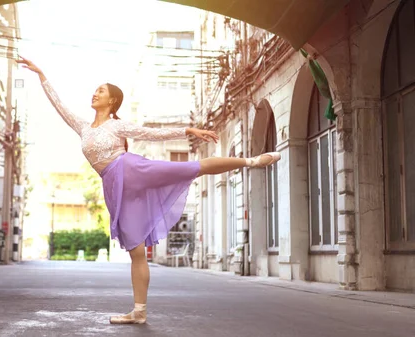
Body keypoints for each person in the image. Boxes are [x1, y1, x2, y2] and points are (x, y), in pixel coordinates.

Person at [16, 57, 280, 324]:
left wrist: (189, 130)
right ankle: (139, 312)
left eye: (101, 91)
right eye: (95, 89)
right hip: (114, 185)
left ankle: (251, 161)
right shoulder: (83, 127)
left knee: (191, 168)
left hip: (131, 169)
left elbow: (152, 134)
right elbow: (59, 105)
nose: (95, 93)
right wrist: (42, 75)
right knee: (136, 251)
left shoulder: (117, 125)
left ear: (112, 102)